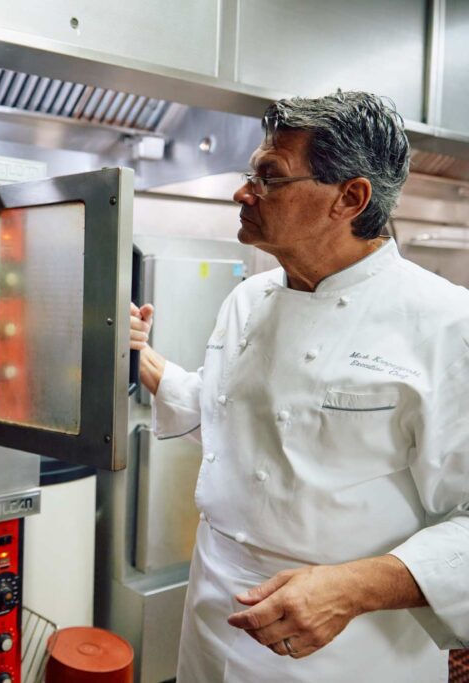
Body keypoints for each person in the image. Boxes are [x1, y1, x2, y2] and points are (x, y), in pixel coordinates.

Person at [129, 91, 469, 682]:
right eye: (250, 174)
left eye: (269, 177)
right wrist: (138, 357)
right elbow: (229, 421)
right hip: (213, 616)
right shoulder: (247, 300)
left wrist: (351, 589)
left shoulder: (446, 323)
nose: (243, 193)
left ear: (349, 198)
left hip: (349, 646)